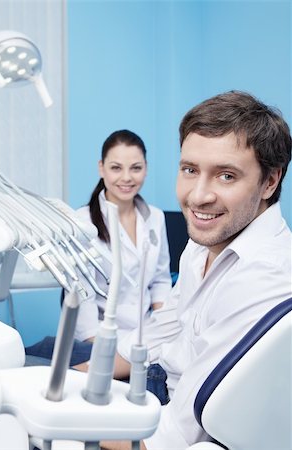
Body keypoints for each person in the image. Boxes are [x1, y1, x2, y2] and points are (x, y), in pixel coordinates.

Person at [100, 91, 292, 450]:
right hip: (158, 377)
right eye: (189, 170)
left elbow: (176, 434)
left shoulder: (267, 277)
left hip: (173, 413)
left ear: (270, 182)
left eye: (226, 176)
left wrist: (67, 428)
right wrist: (80, 377)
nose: (197, 197)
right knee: (38, 362)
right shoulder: (207, 236)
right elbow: (167, 324)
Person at [25, 129, 172, 363]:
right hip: (99, 337)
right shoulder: (80, 222)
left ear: (146, 167)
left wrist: (166, 330)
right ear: (101, 168)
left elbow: (161, 280)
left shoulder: (155, 217)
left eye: (136, 168)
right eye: (116, 168)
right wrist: (103, 355)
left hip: (146, 334)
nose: (127, 177)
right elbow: (82, 296)